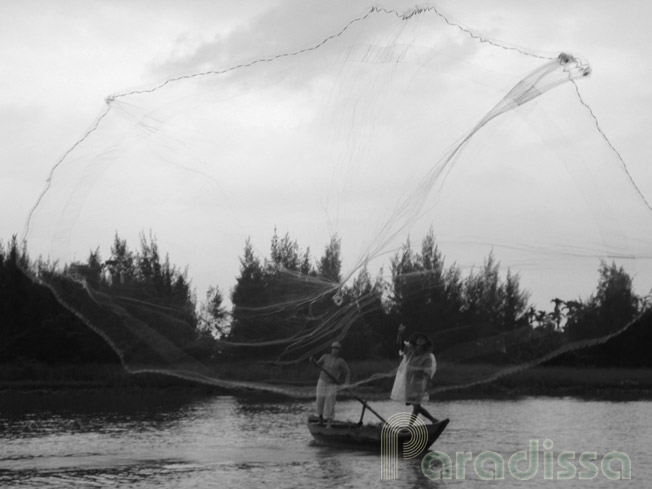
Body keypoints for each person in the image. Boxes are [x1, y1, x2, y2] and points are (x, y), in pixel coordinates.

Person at [390, 324, 439, 424]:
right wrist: (400, 333)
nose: (420, 340)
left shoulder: (427, 357)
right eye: (418, 339)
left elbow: (427, 372)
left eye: (422, 339)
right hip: (409, 382)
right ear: (415, 341)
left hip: (419, 383)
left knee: (416, 406)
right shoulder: (410, 350)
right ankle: (433, 420)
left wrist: (426, 384)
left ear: (425, 343)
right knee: (417, 406)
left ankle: (410, 426)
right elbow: (399, 344)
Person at [311, 341, 350, 428]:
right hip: (322, 381)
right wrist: (313, 361)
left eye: (337, 349)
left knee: (330, 403)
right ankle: (320, 420)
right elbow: (317, 364)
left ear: (339, 351)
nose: (335, 350)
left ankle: (329, 423)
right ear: (331, 349)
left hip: (332, 384)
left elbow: (347, 373)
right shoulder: (325, 356)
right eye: (333, 349)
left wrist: (346, 383)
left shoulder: (341, 361)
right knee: (320, 401)